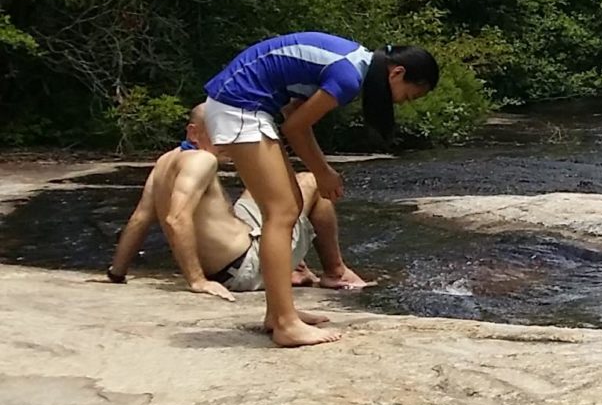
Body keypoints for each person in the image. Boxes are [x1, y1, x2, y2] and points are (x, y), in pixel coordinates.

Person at [201, 33, 437, 346]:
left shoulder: (354, 62)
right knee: (281, 212)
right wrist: (322, 173)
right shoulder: (349, 76)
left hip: (242, 104)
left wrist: (321, 169)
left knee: (291, 203)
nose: (400, 102)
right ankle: (285, 325)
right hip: (240, 106)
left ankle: (278, 313)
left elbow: (294, 115)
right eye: (407, 95)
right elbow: (294, 127)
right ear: (397, 73)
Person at [107, 104, 366, 299]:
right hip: (243, 269)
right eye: (219, 134)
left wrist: (117, 273)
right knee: (311, 182)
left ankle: (294, 267)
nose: (228, 142)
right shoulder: (202, 160)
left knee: (264, 189)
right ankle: (335, 273)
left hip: (235, 257)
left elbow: (140, 218)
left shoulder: (165, 161)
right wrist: (197, 280)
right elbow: (176, 219)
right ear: (193, 132)